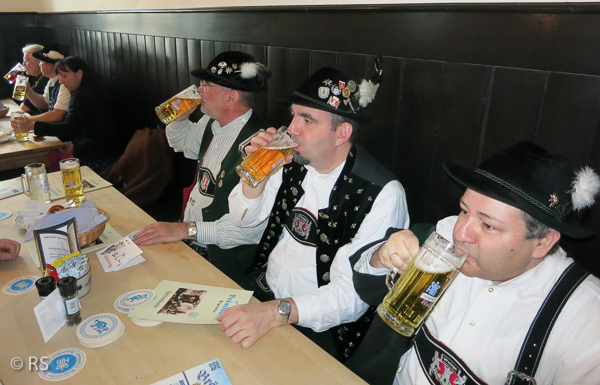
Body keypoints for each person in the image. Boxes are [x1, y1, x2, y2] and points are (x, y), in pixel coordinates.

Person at [349, 141, 600, 384]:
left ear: (542, 243)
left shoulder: (586, 321)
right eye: (464, 210)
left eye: (488, 225)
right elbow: (367, 288)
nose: (461, 233)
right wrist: (381, 256)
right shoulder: (443, 240)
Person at [218, 65, 410, 361]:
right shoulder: (292, 160)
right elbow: (243, 219)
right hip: (264, 294)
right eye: (293, 115)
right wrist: (257, 175)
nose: (291, 129)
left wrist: (277, 312)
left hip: (324, 329)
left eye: (307, 120)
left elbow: (352, 296)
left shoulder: (382, 193)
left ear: (342, 133)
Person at [134, 51, 271, 283]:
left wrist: (185, 230)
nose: (199, 90)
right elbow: (183, 144)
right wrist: (179, 117)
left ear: (231, 98)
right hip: (192, 244)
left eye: (207, 85)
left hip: (226, 264)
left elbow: (250, 231)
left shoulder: (260, 148)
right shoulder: (211, 122)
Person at [12, 56, 118, 173]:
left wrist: (33, 126)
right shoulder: (90, 90)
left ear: (79, 73)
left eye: (64, 76)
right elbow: (78, 127)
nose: (61, 81)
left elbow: (69, 128)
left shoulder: (82, 96)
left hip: (98, 159)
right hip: (102, 153)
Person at [24, 44, 71, 122]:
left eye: (41, 62)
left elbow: (57, 116)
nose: (39, 64)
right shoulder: (51, 80)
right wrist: (28, 90)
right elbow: (44, 104)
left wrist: (28, 119)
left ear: (49, 65)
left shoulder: (64, 83)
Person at [20, 43, 49, 115]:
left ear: (39, 62)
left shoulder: (46, 78)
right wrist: (20, 82)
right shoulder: (38, 77)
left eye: (27, 60)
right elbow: (20, 97)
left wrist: (25, 87)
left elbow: (25, 107)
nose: (23, 64)